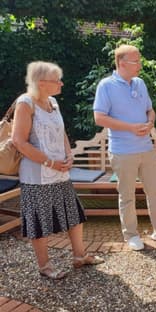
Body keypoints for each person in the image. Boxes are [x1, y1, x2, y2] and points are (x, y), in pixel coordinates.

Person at [11, 61, 104, 280]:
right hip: (36, 176)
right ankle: (44, 266)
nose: (61, 83)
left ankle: (80, 256)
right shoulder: (25, 103)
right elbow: (19, 141)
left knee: (74, 215)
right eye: (57, 80)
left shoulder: (53, 102)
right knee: (39, 222)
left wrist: (69, 154)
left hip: (60, 172)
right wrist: (50, 162)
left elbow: (61, 132)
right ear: (42, 83)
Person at [93, 44, 156, 251]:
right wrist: (131, 128)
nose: (140, 65)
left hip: (146, 148)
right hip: (122, 151)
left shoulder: (140, 83)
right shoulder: (106, 86)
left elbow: (150, 110)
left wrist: (150, 123)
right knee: (127, 195)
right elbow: (99, 118)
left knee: (155, 191)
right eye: (136, 61)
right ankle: (131, 235)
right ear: (122, 63)